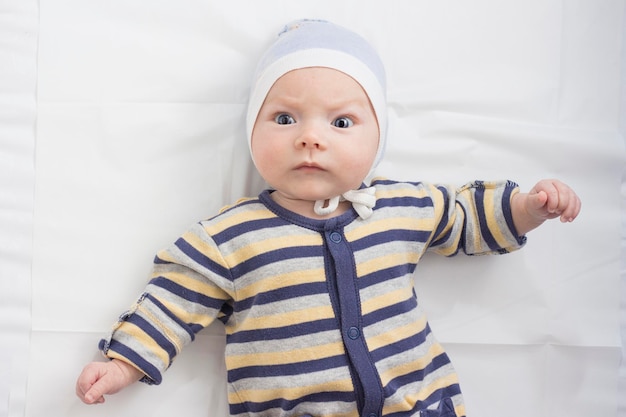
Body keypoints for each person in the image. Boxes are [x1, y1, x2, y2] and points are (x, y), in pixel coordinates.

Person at [75, 19, 581, 417]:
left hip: (417, 405)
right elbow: (172, 299)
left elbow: (466, 217)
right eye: (284, 118)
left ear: (377, 140)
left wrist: (526, 208)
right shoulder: (228, 237)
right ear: (252, 130)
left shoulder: (399, 206)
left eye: (341, 122)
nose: (310, 137)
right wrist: (124, 363)